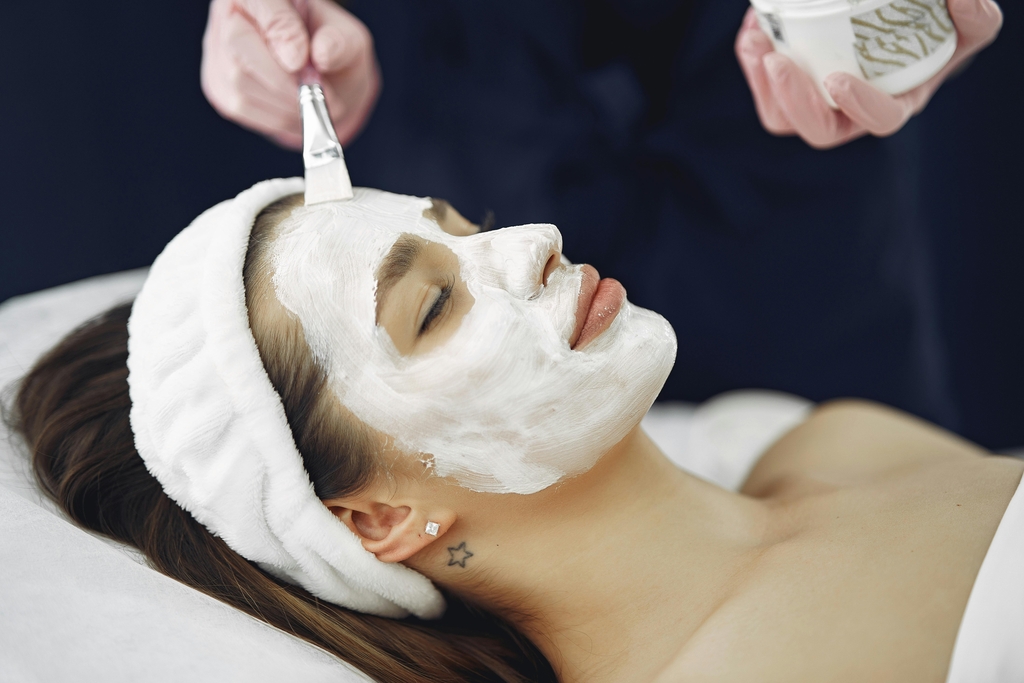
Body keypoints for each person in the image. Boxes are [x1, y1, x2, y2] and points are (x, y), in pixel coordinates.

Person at [11, 181, 1023, 682]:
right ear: (378, 518)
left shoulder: (833, 442)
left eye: (463, 226)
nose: (531, 243)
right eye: (430, 306)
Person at [193, 0, 1016, 448]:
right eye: (435, 298)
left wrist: (902, 21)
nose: (534, 245)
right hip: (448, 84)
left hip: (781, 163)